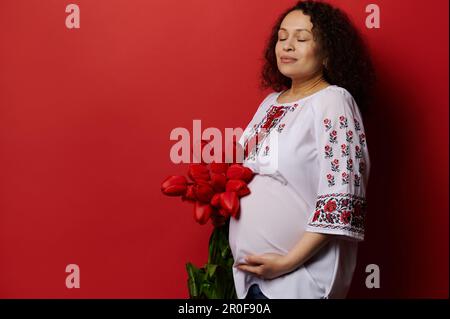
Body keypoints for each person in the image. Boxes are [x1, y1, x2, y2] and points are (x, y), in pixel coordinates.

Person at [227, 0, 376, 299]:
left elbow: (343, 199)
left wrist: (285, 263)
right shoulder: (270, 102)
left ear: (327, 54)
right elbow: (247, 173)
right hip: (251, 281)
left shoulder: (333, 101)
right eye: (282, 37)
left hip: (299, 282)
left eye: (302, 38)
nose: (288, 45)